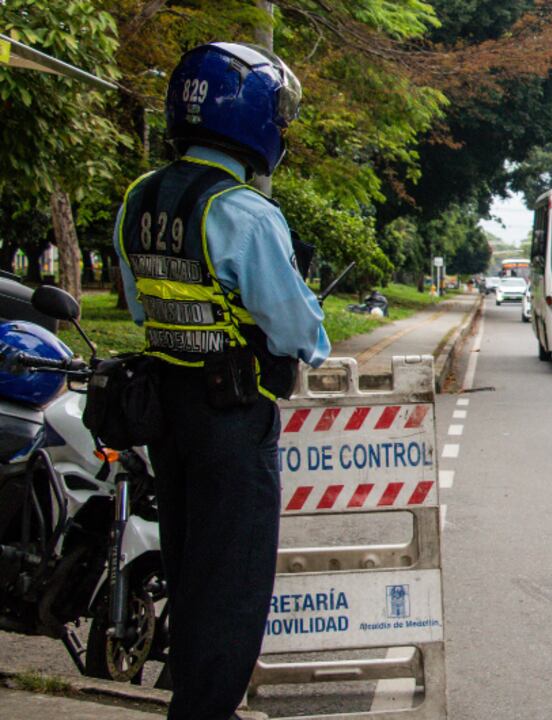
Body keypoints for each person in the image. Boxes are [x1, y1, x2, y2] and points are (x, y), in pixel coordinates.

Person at [113, 43, 330, 720]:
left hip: (167, 412)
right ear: (254, 119)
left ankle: (193, 699)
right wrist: (314, 328)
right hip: (233, 416)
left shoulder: (139, 197)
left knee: (188, 566)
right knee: (232, 583)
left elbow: (138, 303)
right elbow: (296, 329)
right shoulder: (245, 213)